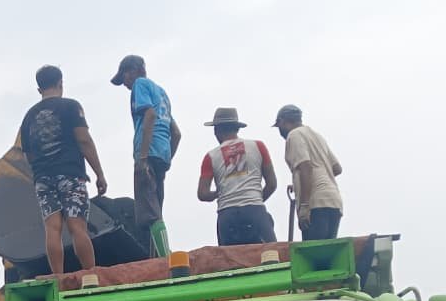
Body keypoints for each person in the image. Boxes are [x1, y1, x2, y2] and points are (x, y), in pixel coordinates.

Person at [18, 65, 108, 276]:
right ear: (60, 83)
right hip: (70, 174)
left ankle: (58, 277)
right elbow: (84, 140)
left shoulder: (29, 117)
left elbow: (28, 154)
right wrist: (99, 174)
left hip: (43, 178)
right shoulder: (70, 107)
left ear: (39, 89)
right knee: (77, 227)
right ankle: (90, 276)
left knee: (53, 228)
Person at [110, 55, 180, 255]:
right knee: (155, 209)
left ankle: (164, 258)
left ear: (133, 71)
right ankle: (156, 257)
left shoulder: (140, 85)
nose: (125, 83)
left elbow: (149, 114)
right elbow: (176, 133)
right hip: (162, 153)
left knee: (150, 212)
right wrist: (167, 158)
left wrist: (142, 157)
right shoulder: (161, 93)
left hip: (147, 152)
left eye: (124, 76)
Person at [196, 107, 277, 246]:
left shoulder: (210, 157)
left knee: (231, 259)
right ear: (237, 128)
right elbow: (272, 184)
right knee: (270, 256)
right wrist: (254, 200)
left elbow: (202, 194)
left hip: (227, 216)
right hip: (255, 211)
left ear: (216, 130)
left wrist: (219, 193)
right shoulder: (258, 146)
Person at [272, 104, 343, 240]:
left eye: (278, 126)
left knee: (313, 252)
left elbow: (306, 167)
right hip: (333, 201)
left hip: (315, 204)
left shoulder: (294, 135)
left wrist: (304, 206)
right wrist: (300, 183)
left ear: (282, 121)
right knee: (328, 250)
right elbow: (336, 168)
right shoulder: (317, 136)